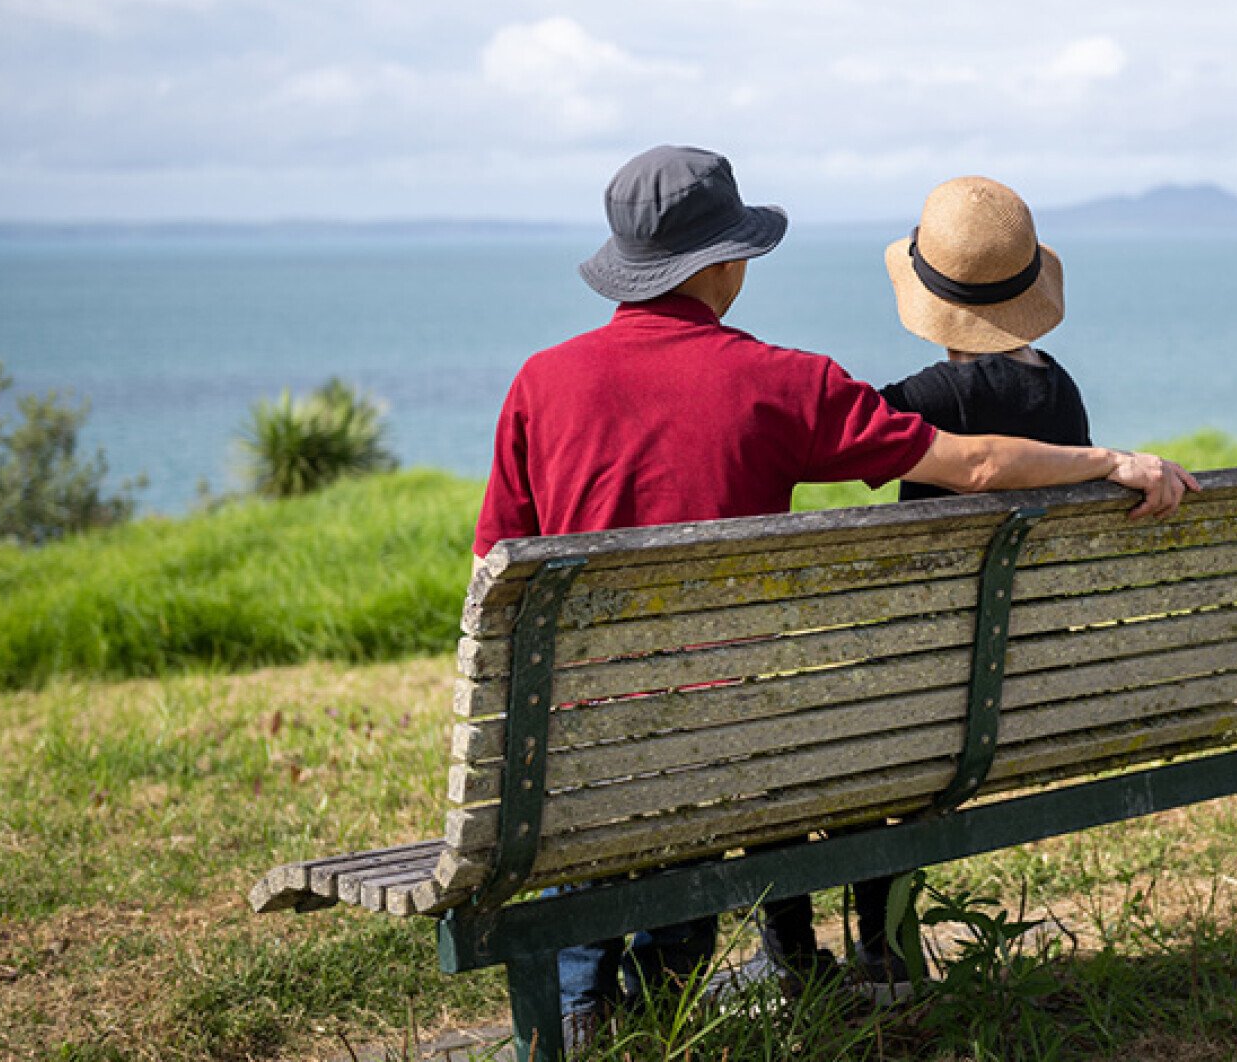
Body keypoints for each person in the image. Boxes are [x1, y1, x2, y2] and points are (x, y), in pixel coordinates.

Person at [472, 145, 1196, 1045]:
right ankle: (679, 977)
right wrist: (1111, 461)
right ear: (728, 262)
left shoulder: (539, 383)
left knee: (611, 744)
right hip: (735, 740)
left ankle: (582, 1008)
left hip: (576, 745)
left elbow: (496, 567)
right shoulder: (786, 383)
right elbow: (970, 461)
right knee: (726, 722)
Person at [755, 174, 1090, 994]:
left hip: (925, 675)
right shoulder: (1065, 395)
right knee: (898, 732)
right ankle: (885, 949)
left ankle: (795, 956)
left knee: (788, 740)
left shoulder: (924, 400)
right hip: (1018, 678)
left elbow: (817, 443)